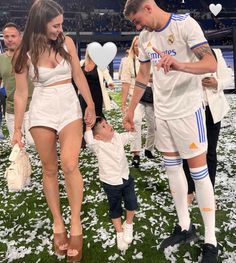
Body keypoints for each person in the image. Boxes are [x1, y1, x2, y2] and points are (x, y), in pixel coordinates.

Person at [123, 0, 218, 262]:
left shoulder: (185, 24)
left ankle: (211, 240)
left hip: (188, 111)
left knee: (199, 174)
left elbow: (210, 63)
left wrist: (179, 65)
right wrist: (130, 110)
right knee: (173, 170)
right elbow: (142, 75)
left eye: (137, 20)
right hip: (162, 112)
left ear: (148, 7)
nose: (137, 26)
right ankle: (185, 226)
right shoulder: (144, 37)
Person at [12, 0, 96, 262]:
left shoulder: (67, 42)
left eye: (61, 24)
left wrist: (90, 104)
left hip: (69, 107)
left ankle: (75, 223)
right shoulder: (23, 51)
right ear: (40, 23)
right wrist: (17, 129)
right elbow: (21, 93)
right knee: (49, 169)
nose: (60, 30)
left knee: (70, 164)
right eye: (55, 25)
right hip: (42, 110)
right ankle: (57, 223)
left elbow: (78, 77)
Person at [183, 48, 232, 205]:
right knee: (189, 151)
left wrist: (217, 83)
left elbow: (228, 78)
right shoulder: (183, 54)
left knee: (210, 152)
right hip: (190, 110)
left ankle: (208, 193)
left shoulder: (215, 53)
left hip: (212, 111)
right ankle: (189, 190)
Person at [84, 117, 138, 251]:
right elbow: (89, 140)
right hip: (110, 182)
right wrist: (88, 127)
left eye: (107, 123)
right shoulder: (97, 145)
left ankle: (129, 223)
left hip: (125, 177)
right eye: (103, 126)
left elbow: (132, 137)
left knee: (131, 201)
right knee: (115, 207)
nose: (108, 126)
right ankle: (119, 232)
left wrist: (131, 128)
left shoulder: (118, 137)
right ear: (98, 137)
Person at [121, 36, 156, 168]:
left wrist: (151, 79)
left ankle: (149, 148)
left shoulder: (152, 58)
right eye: (135, 45)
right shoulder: (128, 61)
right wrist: (123, 104)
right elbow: (125, 83)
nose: (137, 47)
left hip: (152, 97)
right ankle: (136, 153)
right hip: (137, 97)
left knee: (153, 126)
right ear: (132, 47)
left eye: (139, 45)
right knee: (136, 121)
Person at [0, 22, 34, 145]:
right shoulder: (1, 60)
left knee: (33, 142)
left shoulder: (30, 56)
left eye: (13, 36)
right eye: (6, 36)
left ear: (20, 37)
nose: (9, 39)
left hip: (32, 107)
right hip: (10, 110)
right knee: (17, 145)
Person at [79, 47, 114, 119]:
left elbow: (107, 76)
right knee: (83, 115)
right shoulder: (81, 63)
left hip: (97, 94)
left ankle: (99, 129)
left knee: (96, 114)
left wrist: (110, 83)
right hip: (84, 95)